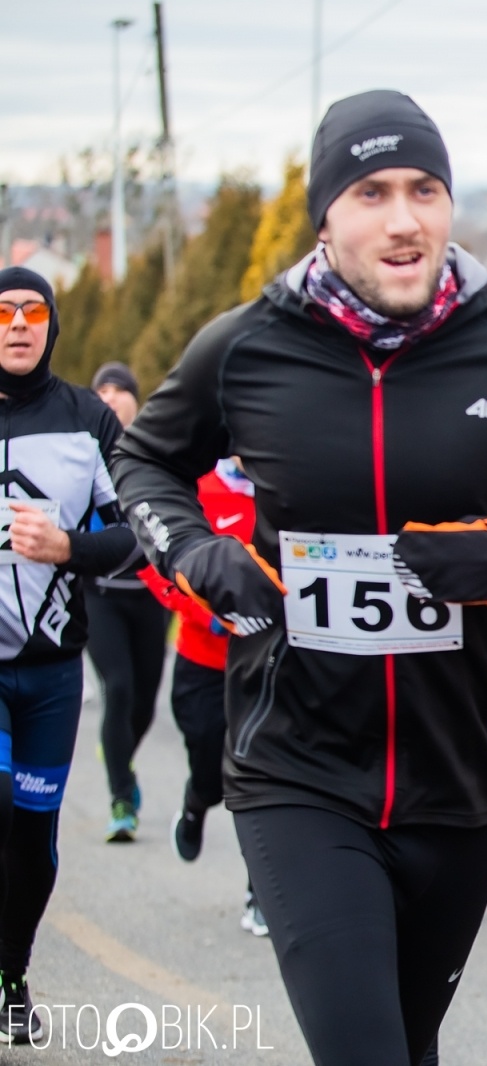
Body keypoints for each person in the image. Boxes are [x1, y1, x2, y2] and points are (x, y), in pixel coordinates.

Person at [111, 90, 487, 1066]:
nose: (405, 218)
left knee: (410, 1045)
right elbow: (144, 463)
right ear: (325, 215)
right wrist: (198, 553)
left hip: (458, 779)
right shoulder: (247, 347)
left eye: (425, 189)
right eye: (371, 191)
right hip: (295, 766)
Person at [0, 267, 142, 1042]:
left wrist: (67, 547)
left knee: (33, 839)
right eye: (4, 312)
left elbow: (136, 532)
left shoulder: (88, 419)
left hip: (53, 669)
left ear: (51, 326)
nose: (18, 324)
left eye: (33, 312)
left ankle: (11, 973)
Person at [135, 457, 267, 934]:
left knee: (262, 777)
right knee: (213, 771)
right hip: (204, 662)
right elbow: (154, 561)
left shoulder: (285, 487)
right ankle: (196, 803)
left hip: (269, 664)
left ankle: (262, 895)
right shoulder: (196, 488)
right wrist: (203, 608)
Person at [85, 361, 170, 842]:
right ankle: (121, 797)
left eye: (122, 390)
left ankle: (121, 757)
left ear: (138, 402)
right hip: (100, 595)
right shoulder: (82, 450)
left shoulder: (154, 448)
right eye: (103, 390)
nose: (112, 397)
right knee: (117, 689)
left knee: (143, 703)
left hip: (151, 596)